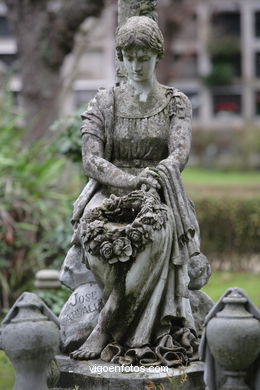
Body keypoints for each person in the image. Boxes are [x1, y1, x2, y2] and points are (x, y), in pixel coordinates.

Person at [66, 16, 208, 367]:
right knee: (95, 237)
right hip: (111, 191)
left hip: (157, 190)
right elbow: (92, 161)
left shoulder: (176, 103)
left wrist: (152, 180)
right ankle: (118, 312)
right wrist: (131, 182)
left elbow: (179, 153)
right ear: (121, 58)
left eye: (143, 56)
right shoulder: (104, 103)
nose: (136, 64)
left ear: (156, 56)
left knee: (158, 234)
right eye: (129, 57)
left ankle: (108, 321)